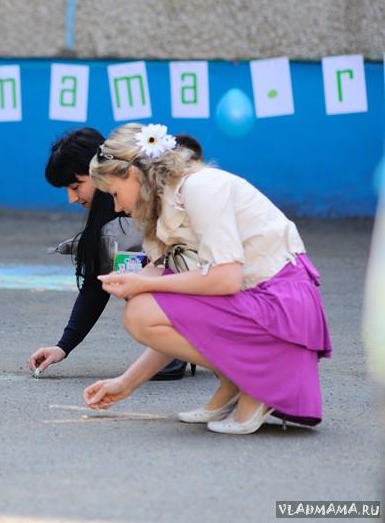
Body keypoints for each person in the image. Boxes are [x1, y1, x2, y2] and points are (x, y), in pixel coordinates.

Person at [84, 123, 331, 434]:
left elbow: (226, 279)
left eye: (114, 194)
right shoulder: (165, 207)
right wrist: (126, 383)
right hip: (261, 304)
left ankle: (252, 383)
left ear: (133, 174)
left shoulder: (200, 187)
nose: (117, 207)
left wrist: (146, 283)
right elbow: (179, 321)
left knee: (142, 308)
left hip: (279, 306)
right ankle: (235, 381)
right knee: (144, 306)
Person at [28, 128, 194, 380]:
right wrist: (63, 346)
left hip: (228, 293)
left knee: (131, 268)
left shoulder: (158, 203)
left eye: (75, 186)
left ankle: (177, 345)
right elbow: (95, 288)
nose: (71, 198)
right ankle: (177, 345)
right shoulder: (112, 222)